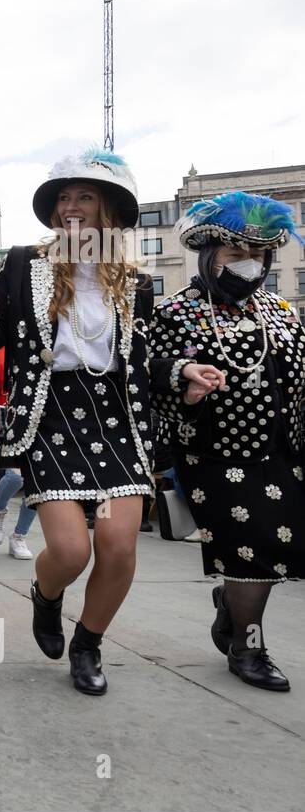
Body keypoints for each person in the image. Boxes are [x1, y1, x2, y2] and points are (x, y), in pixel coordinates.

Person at [0, 149, 152, 696]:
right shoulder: (25, 262)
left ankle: (88, 644)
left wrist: (185, 370)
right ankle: (46, 596)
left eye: (84, 196)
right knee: (71, 552)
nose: (71, 207)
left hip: (116, 418)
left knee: (118, 544)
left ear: (108, 208)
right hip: (51, 414)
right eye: (63, 197)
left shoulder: (135, 282)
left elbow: (147, 357)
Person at [150, 191, 305, 691]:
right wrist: (184, 381)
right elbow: (146, 376)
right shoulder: (177, 311)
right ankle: (249, 647)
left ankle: (232, 609)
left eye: (257, 256)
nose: (248, 265)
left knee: (277, 550)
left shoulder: (281, 310)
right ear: (210, 256)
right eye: (236, 255)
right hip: (217, 453)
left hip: (283, 452)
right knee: (250, 550)